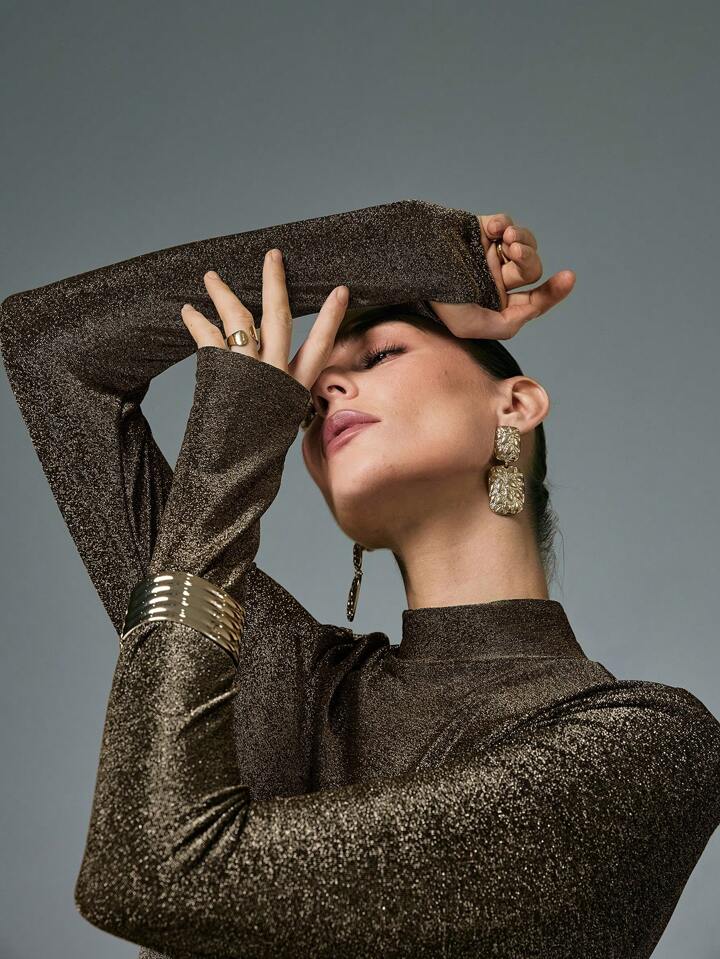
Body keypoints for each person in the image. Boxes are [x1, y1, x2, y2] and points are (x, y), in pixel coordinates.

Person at [0, 199, 718, 959]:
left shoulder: (647, 747)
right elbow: (49, 346)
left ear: (515, 405)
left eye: (378, 357)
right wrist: (420, 255)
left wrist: (227, 457)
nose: (322, 394)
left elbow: (152, 874)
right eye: (306, 405)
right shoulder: (292, 676)